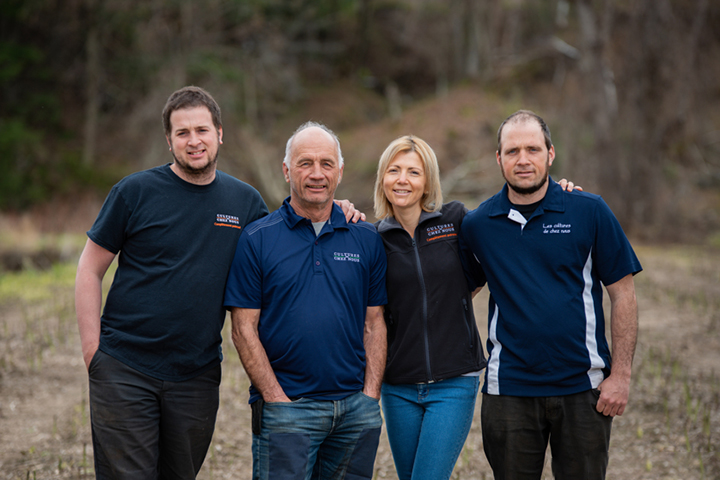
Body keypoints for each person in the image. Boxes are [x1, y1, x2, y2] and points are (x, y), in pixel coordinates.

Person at [74, 86, 268, 478]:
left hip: (196, 375)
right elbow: (89, 268)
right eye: (182, 133)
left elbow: (286, 247)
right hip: (124, 367)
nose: (194, 141)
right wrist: (93, 351)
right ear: (169, 141)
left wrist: (337, 210)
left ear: (219, 133)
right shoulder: (135, 192)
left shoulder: (245, 202)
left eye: (202, 130)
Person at [460, 110, 642, 480]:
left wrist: (620, 375)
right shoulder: (478, 225)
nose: (523, 160)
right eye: (512, 151)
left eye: (532, 149)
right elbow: (458, 292)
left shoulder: (589, 211)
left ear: (551, 154)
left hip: (582, 389)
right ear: (498, 158)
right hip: (508, 390)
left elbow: (623, 295)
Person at [223, 121, 388, 480]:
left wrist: (370, 396)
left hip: (354, 411)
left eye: (326, 164)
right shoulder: (258, 239)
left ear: (340, 172)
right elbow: (242, 329)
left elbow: (374, 322)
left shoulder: (366, 238)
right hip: (288, 410)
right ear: (286, 170)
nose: (317, 173)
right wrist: (276, 400)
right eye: (305, 163)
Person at [372, 135, 486, 480]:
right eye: (394, 171)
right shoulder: (372, 237)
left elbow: (477, 276)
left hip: (454, 381)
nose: (402, 180)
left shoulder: (454, 221)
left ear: (427, 182)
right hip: (399, 385)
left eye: (413, 172)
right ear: (383, 179)